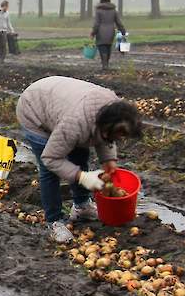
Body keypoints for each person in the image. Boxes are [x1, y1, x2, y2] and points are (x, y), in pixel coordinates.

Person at [16, 76, 143, 243]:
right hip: (34, 109)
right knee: (50, 171)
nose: (119, 139)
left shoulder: (114, 109)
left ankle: (82, 206)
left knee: (80, 155)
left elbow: (107, 136)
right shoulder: (74, 123)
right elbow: (50, 158)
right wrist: (82, 177)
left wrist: (109, 160)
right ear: (105, 127)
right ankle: (54, 221)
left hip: (61, 104)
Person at [90, 0, 126, 69]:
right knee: (108, 46)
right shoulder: (114, 11)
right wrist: (123, 31)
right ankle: (107, 63)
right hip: (111, 31)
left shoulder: (98, 11)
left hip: (100, 31)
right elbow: (118, 22)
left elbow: (97, 23)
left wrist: (93, 33)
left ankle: (104, 63)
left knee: (102, 47)